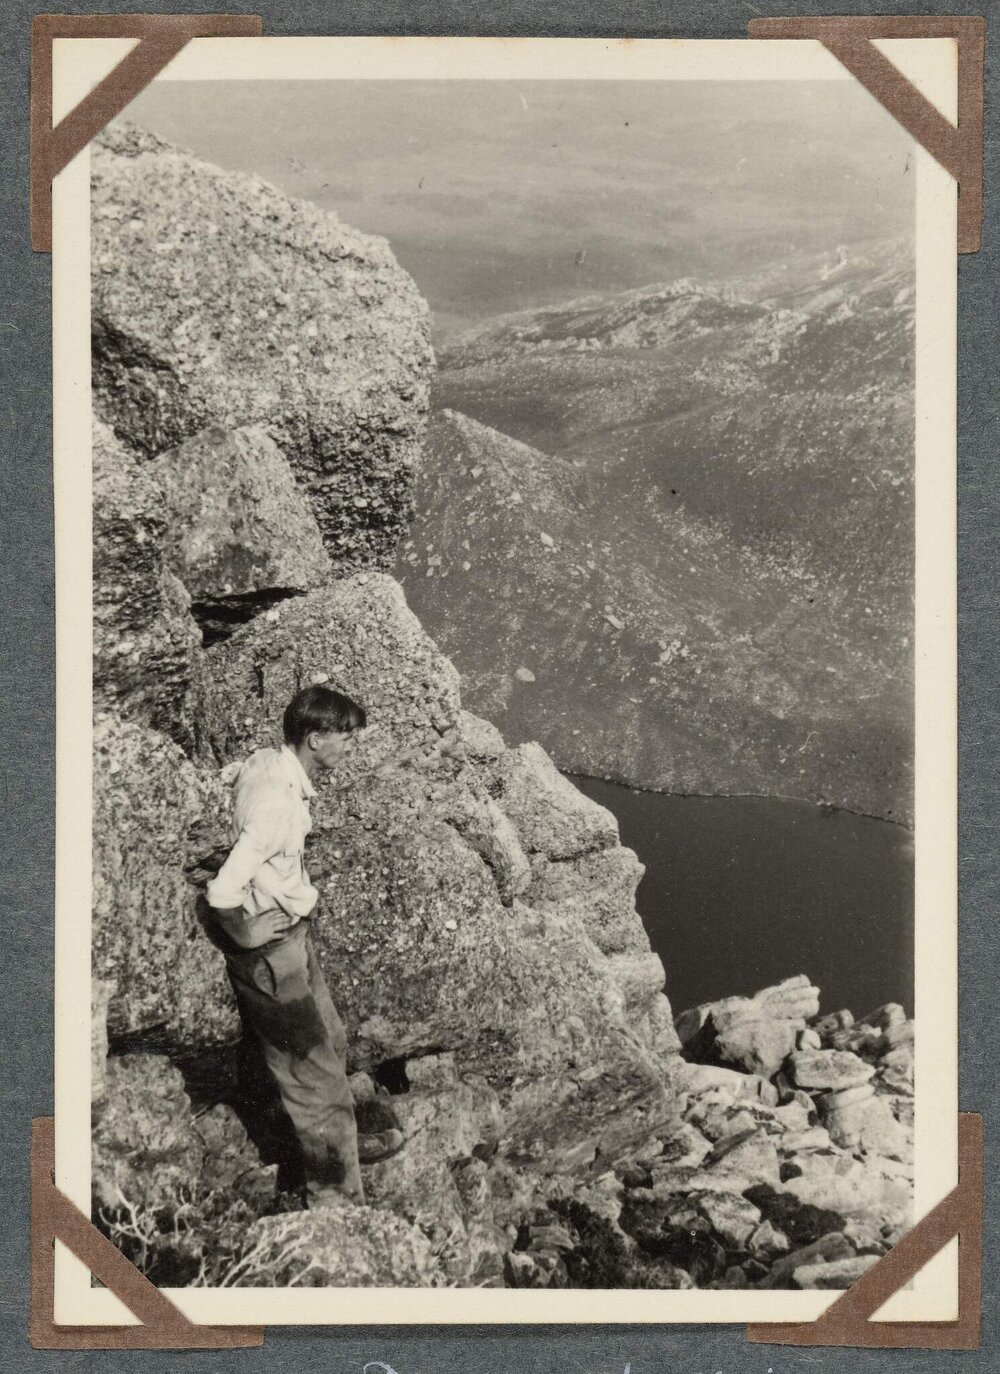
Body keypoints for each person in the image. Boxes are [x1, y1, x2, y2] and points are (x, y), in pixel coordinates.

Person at [205, 684, 403, 1208]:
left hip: (293, 935)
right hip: (273, 957)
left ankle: (338, 1145)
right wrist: (245, 932)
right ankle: (336, 1196)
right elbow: (223, 889)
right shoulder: (277, 806)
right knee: (316, 1082)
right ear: (315, 739)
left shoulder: (274, 764)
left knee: (331, 1040)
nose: (351, 747)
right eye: (347, 738)